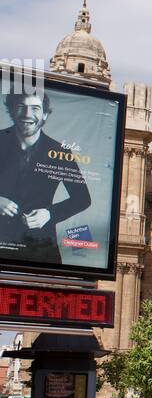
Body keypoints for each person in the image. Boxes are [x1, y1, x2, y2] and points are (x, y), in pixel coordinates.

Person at [0, 90, 92, 266]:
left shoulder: (60, 152)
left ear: (45, 115)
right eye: (21, 107)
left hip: (40, 250)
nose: (28, 114)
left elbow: (83, 198)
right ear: (11, 110)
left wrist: (49, 213)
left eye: (35, 108)